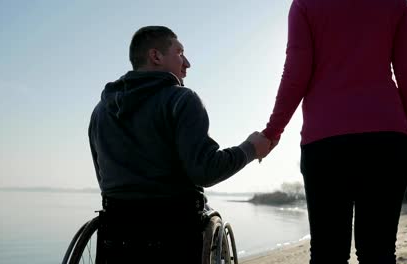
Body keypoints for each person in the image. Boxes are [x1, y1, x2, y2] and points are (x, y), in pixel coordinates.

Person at [88, 26, 271, 263]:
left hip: (116, 232)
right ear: (156, 56)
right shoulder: (181, 100)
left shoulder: (101, 111)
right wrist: (250, 148)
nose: (187, 63)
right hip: (175, 230)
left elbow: (104, 179)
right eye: (180, 52)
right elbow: (205, 171)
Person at [262, 0, 407, 263]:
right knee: (379, 252)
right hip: (387, 141)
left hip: (326, 145)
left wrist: (273, 131)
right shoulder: (397, 4)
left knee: (328, 253)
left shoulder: (305, 4)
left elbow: (295, 73)